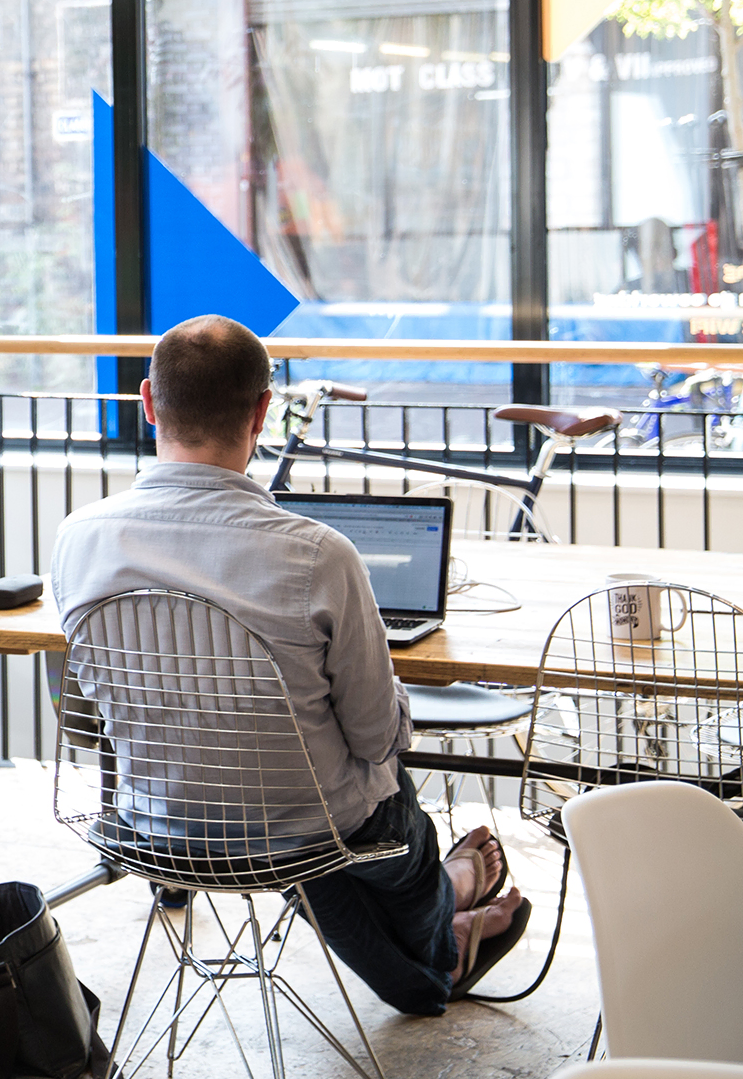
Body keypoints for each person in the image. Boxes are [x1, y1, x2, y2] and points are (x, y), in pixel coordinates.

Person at [48, 315, 528, 1014]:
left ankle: (441, 940)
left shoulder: (75, 540)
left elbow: (90, 722)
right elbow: (373, 738)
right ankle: (445, 916)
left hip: (153, 826)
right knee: (381, 822)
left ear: (148, 402)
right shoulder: (318, 554)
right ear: (263, 412)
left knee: (316, 827)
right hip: (304, 838)